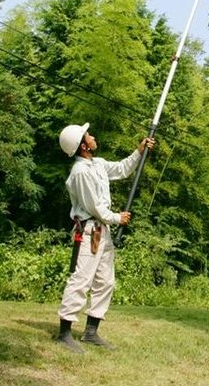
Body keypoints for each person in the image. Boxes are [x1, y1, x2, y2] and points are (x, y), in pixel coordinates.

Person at [55, 122, 155, 353]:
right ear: (83, 147)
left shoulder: (97, 164)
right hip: (90, 231)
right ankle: (64, 333)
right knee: (81, 280)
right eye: (88, 135)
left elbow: (122, 169)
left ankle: (91, 332)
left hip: (103, 232)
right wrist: (117, 218)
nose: (92, 136)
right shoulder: (79, 173)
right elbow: (94, 207)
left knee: (105, 281)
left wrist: (139, 151)